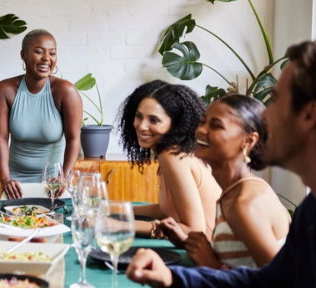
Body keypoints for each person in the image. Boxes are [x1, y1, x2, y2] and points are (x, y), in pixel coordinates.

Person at [126, 40, 316, 287]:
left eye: (276, 100)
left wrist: (212, 266)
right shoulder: (308, 209)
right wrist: (173, 276)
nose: (265, 114)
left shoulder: (244, 203)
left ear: (309, 115)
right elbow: (273, 278)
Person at [158, 94, 290, 269]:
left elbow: (281, 280)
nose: (201, 130)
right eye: (203, 122)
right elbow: (242, 258)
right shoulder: (232, 192)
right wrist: (187, 243)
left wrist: (212, 265)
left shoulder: (244, 203)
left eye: (216, 125)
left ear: (249, 140)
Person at [118, 80, 221, 238]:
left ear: (175, 124)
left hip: (205, 255)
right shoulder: (176, 151)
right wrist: (115, 210)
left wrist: (119, 226)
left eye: (154, 120)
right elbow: (166, 210)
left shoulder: (172, 156)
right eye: (139, 116)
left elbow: (194, 230)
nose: (141, 126)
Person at [0, 29, 83, 199]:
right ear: (23, 55)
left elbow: (74, 138)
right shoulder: (5, 90)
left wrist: (64, 176)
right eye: (39, 51)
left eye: (52, 53)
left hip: (54, 184)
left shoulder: (65, 91)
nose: (47, 58)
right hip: (15, 185)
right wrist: (5, 179)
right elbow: (1, 138)